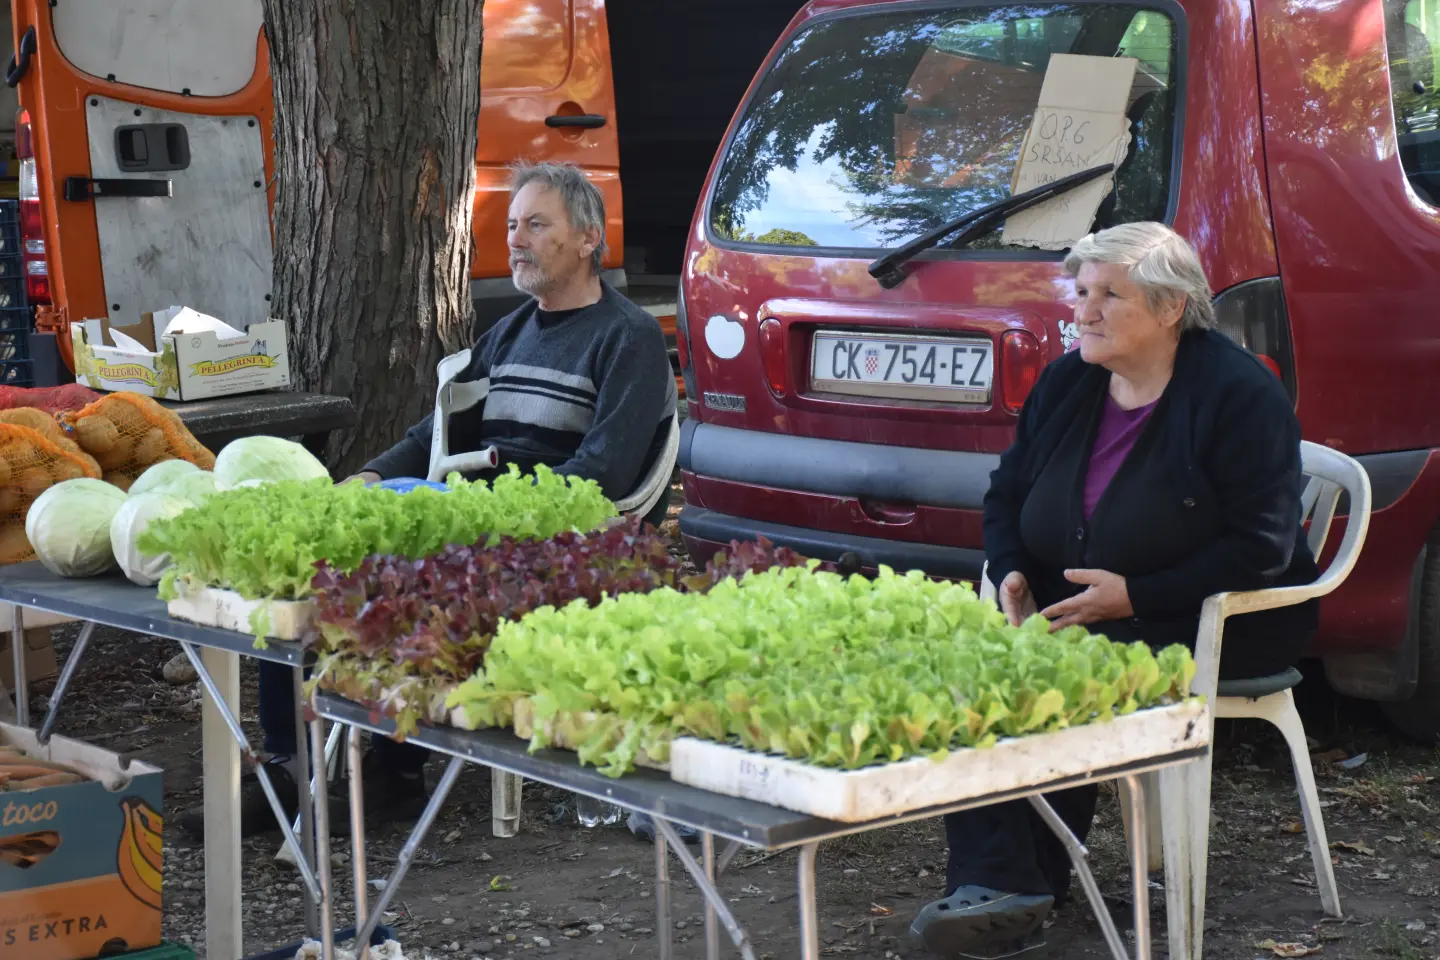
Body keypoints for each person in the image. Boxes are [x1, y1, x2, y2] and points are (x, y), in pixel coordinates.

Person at [178, 161, 677, 840]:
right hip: (469, 510)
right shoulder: (512, 330)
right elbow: (431, 434)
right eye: (512, 225)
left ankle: (392, 771)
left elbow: (604, 472)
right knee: (301, 567)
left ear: (590, 237)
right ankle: (289, 766)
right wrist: (369, 479)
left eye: (536, 224)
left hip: (556, 534)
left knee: (380, 568)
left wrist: (481, 510)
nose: (516, 239)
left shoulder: (629, 337)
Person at [909, 222, 1319, 958]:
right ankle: (1008, 886)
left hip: (1212, 616)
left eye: (1109, 295)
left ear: (1170, 307)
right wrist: (1011, 567)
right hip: (1081, 606)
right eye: (1081, 292)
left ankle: (1010, 887)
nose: (1085, 311)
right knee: (973, 669)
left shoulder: (1237, 394)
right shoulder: (1070, 380)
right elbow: (1006, 494)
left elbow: (1263, 547)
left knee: (1058, 672)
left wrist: (1138, 595)